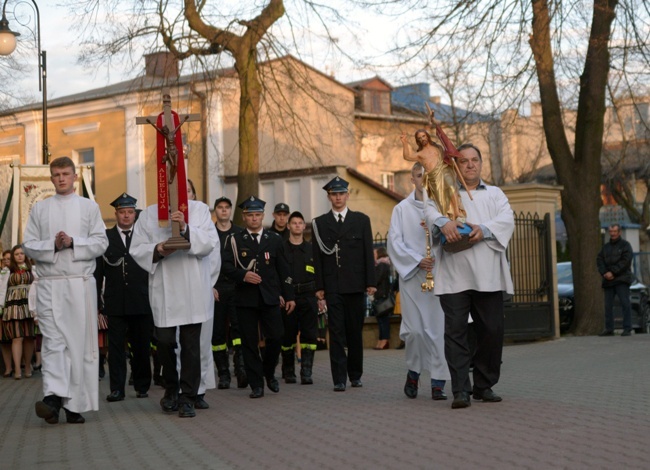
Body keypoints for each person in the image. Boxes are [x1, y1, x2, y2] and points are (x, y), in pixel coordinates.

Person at [423, 144, 514, 409]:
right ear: (455, 165)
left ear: (482, 164)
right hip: (453, 275)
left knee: (492, 331)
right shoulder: (443, 191)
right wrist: (444, 222)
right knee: (455, 334)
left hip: (488, 275)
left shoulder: (495, 194)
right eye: (464, 161)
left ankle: (484, 386)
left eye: (475, 160)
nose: (470, 165)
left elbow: (507, 219)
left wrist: (484, 230)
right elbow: (429, 211)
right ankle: (461, 390)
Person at [23, 156, 109, 424]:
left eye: (66, 173)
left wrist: (73, 242)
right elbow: (28, 244)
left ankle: (74, 405)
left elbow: (101, 243)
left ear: (75, 177)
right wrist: (54, 245)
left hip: (79, 283)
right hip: (50, 284)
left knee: (78, 345)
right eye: (56, 174)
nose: (61, 178)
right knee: (53, 342)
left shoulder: (89, 207)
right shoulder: (40, 209)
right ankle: (52, 397)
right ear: (51, 178)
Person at [130, 185, 220, 418]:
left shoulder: (199, 210)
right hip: (165, 288)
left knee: (191, 346)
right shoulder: (149, 214)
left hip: (192, 287)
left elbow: (210, 243)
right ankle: (171, 389)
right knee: (165, 343)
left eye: (185, 190)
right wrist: (158, 249)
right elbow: (136, 248)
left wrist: (186, 228)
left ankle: (188, 397)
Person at [387, 162, 451, 401]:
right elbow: (394, 242)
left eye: (427, 175)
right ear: (412, 179)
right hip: (413, 277)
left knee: (437, 331)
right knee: (415, 332)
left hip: (440, 276)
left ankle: (438, 383)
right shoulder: (401, 210)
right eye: (418, 175)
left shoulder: (444, 206)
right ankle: (413, 373)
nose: (422, 179)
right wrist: (416, 260)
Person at [221, 196, 295, 398]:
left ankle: (269, 372)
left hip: (270, 297)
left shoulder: (275, 239)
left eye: (257, 215)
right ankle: (256, 384)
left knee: (277, 336)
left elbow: (284, 269)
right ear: (244, 217)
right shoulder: (235, 240)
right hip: (245, 298)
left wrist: (289, 296)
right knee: (248, 342)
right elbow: (226, 267)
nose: (254, 219)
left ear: (263, 216)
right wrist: (242, 275)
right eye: (250, 215)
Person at [312, 176, 376, 391]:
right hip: (333, 285)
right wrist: (319, 286)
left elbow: (368, 252)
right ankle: (339, 378)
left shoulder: (361, 220)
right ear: (329, 197)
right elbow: (317, 257)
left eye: (341, 193)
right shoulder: (320, 223)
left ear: (347, 195)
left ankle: (355, 374)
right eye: (334, 194)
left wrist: (371, 282)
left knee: (354, 331)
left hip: (356, 284)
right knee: (336, 332)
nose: (338, 197)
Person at [95, 193, 154, 402]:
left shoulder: (144, 237)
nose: (126, 216)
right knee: (116, 349)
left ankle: (142, 385)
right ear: (116, 214)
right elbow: (98, 273)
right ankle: (117, 388)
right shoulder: (106, 238)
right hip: (115, 302)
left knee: (141, 347)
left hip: (141, 300)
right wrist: (97, 304)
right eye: (122, 212)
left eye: (130, 212)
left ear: (135, 214)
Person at [212, 196, 247, 390]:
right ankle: (223, 374)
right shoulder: (209, 233)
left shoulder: (240, 233)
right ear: (215, 211)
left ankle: (240, 369)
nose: (224, 210)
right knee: (217, 334)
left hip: (236, 287)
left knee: (238, 331)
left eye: (227, 207)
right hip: (217, 287)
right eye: (220, 207)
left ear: (231, 210)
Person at [281, 211, 319, 385]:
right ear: (288, 226)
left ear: (304, 226)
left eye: (300, 223)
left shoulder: (312, 249)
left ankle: (306, 371)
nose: (297, 225)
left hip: (308, 296)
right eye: (293, 223)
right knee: (287, 336)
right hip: (289, 297)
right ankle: (288, 371)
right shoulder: (281, 249)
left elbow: (319, 274)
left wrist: (321, 295)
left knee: (309, 335)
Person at [401, 128, 465, 221]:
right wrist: (404, 142)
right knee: (441, 200)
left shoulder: (438, 147)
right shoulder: (420, 154)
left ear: (427, 136)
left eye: (423, 136)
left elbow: (447, 156)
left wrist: (450, 156)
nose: (422, 139)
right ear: (418, 141)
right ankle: (448, 217)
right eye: (419, 138)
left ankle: (457, 212)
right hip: (434, 178)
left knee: (451, 187)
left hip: (444, 170)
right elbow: (407, 156)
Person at [3, 246, 36, 379]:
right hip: (13, 305)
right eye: (16, 254)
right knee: (17, 337)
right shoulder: (7, 271)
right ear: (13, 256)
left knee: (29, 337)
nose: (19, 256)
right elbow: (2, 289)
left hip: (29, 305)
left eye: (22, 253)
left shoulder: (33, 269)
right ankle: (17, 369)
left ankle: (27, 366)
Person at [597, 224, 634, 337]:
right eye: (611, 231)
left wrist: (612, 272)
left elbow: (625, 261)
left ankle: (627, 328)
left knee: (625, 303)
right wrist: (605, 273)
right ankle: (609, 328)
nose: (612, 233)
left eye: (614, 231)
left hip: (621, 279)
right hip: (608, 280)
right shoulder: (605, 247)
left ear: (619, 232)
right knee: (608, 306)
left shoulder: (625, 246)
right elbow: (599, 260)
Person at [372, 247, 393, 350]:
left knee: (383, 320)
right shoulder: (382, 265)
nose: (373, 255)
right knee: (380, 319)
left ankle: (384, 340)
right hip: (380, 295)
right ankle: (381, 340)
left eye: (374, 253)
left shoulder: (382, 265)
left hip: (382, 295)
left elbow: (376, 279)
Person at [0, 250, 13, 377]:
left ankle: (22, 364)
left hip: (12, 308)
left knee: (14, 338)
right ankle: (8, 367)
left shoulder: (16, 272)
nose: (6, 261)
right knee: (3, 339)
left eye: (9, 259)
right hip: (1, 308)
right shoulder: (2, 272)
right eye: (4, 259)